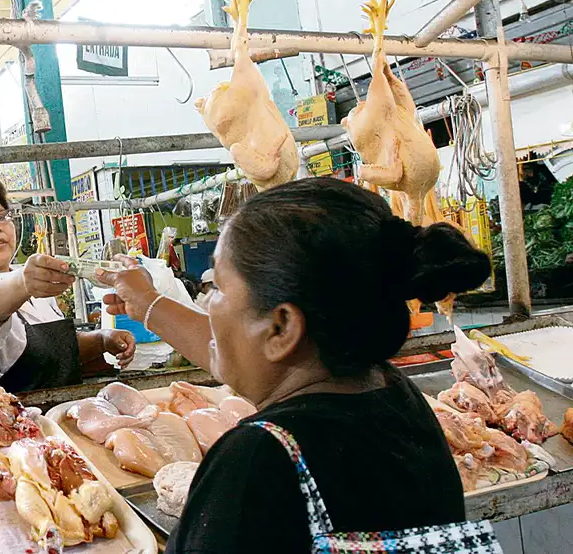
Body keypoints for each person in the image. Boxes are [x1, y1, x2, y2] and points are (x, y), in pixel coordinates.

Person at [95, 179, 492, 552]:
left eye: (215, 287)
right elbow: (235, 351)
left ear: (282, 327)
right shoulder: (396, 397)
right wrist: (148, 305)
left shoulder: (260, 460)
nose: (207, 301)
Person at [0, 173, 136, 400]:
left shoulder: (34, 285)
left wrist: (102, 340)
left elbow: (51, 350)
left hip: (53, 420)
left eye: (0, 216)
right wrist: (24, 283)